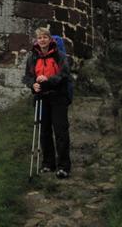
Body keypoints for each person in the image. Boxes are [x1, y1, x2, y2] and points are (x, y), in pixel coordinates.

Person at [23, 27, 71, 179]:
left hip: (58, 97)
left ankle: (63, 166)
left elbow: (64, 74)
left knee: (60, 131)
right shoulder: (33, 57)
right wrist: (33, 84)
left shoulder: (60, 56)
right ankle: (48, 163)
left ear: (50, 39)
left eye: (45, 37)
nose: (42, 40)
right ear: (36, 40)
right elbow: (28, 76)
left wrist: (48, 81)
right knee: (44, 132)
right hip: (41, 97)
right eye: (39, 38)